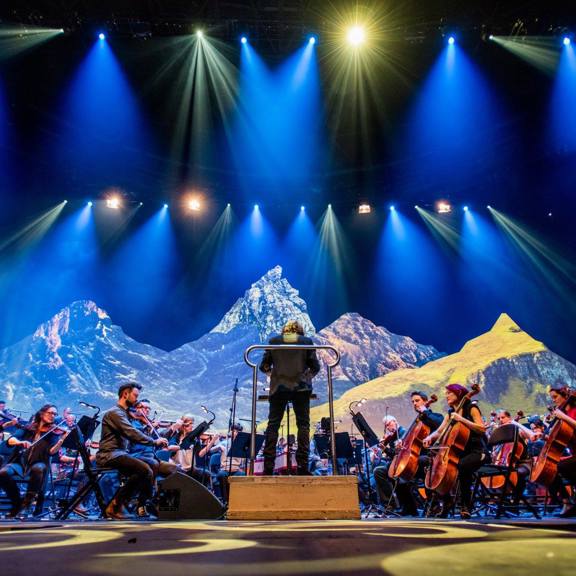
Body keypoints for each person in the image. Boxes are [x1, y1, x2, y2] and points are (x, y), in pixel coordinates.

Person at [96, 383, 168, 520]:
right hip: (110, 454)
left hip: (119, 454)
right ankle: (116, 505)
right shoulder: (115, 412)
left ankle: (143, 503)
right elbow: (130, 432)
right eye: (135, 395)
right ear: (125, 394)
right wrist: (153, 441)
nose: (136, 399)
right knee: (145, 470)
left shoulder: (123, 413)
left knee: (150, 467)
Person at [260, 320, 320, 476]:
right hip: (301, 388)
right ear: (300, 330)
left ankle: (268, 468)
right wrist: (306, 377)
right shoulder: (306, 342)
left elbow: (263, 366)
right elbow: (315, 366)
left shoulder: (274, 341)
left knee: (273, 425)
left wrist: (273, 375)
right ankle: (302, 466)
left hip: (278, 387)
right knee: (303, 425)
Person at [423, 383, 488, 519]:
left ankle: (465, 505)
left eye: (449, 393)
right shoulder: (451, 412)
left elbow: (481, 429)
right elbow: (440, 431)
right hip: (459, 453)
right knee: (438, 469)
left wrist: (462, 419)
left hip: (477, 451)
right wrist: (430, 437)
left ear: (458, 393)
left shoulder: (471, 407)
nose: (446, 396)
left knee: (462, 466)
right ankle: (447, 501)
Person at [0, 404, 67, 518]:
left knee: (38, 468)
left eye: (55, 414)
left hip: (38, 463)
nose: (53, 416)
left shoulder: (53, 432)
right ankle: (17, 502)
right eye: (50, 413)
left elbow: (52, 452)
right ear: (42, 414)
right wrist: (20, 442)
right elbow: (11, 440)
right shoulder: (28, 427)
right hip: (20, 463)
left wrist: (61, 441)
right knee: (3, 472)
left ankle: (27, 501)